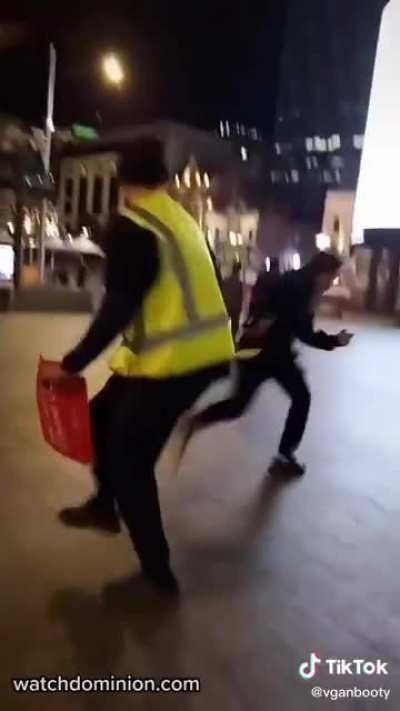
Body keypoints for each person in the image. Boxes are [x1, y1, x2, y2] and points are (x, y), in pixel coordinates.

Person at [40, 137, 234, 594]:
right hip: (195, 353)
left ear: (120, 181)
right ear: (165, 180)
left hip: (179, 363)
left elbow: (119, 307)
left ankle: (157, 573)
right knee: (101, 415)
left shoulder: (132, 226)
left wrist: (71, 366)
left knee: (130, 458)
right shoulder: (178, 218)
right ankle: (106, 505)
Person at [183, 252, 353, 477]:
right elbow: (303, 332)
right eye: (332, 277)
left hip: (266, 353)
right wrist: (334, 340)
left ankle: (197, 421)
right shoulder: (300, 289)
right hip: (265, 354)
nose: (332, 282)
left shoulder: (300, 284)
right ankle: (283, 455)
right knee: (287, 399)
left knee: (249, 403)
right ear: (323, 273)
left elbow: (295, 327)